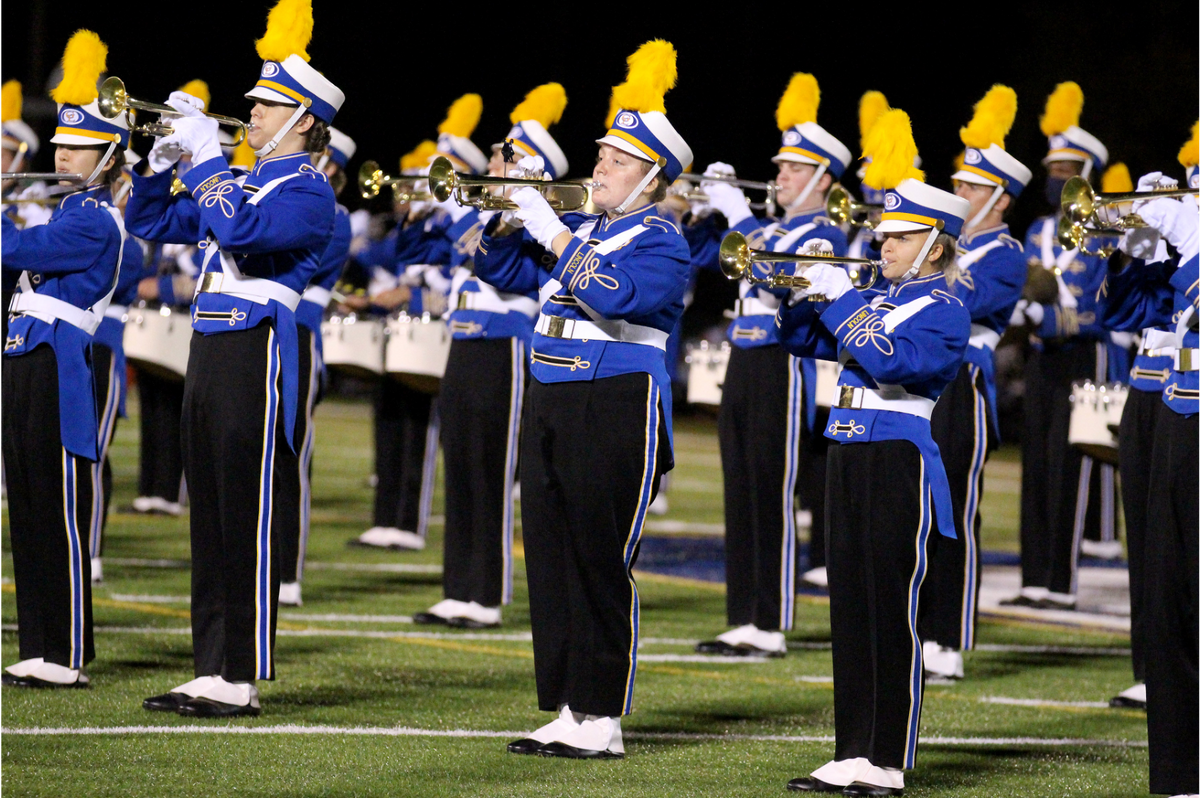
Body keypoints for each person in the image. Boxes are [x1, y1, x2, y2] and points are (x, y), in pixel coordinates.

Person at [476, 40, 692, 759]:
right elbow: (496, 267)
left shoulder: (660, 238)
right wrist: (505, 211)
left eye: (617, 161)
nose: (599, 166)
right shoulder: (590, 227)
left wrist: (554, 230)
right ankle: (569, 706)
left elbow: (619, 295)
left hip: (616, 402)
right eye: (600, 155)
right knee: (551, 555)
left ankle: (603, 716)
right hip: (552, 394)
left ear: (651, 177)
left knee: (598, 557)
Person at [127, 0, 343, 716]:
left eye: (266, 103)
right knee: (210, 508)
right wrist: (160, 168)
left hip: (258, 348)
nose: (250, 112)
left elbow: (244, 232)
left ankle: (240, 675)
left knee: (244, 510)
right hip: (212, 344)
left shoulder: (312, 195)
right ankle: (210, 665)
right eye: (251, 101)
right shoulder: (245, 179)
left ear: (304, 118)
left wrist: (209, 159)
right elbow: (151, 222)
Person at [777, 109, 970, 796]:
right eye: (883, 234)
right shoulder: (875, 298)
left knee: (891, 609)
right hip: (847, 451)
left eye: (900, 237)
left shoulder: (945, 310)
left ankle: (886, 758)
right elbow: (803, 341)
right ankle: (850, 749)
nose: (883, 245)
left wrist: (841, 304)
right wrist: (792, 291)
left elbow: (894, 366)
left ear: (935, 246)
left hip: (898, 458)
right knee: (849, 607)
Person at [690, 73, 851, 657]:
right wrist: (706, 212)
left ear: (823, 179)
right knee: (741, 487)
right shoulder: (771, 226)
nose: (779, 176)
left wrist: (737, 212)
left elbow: (775, 274)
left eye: (794, 169)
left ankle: (771, 622)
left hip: (786, 366)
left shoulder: (823, 231)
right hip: (745, 358)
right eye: (779, 167)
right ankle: (743, 615)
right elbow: (706, 259)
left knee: (771, 486)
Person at [1, 30, 131, 689]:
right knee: (26, 507)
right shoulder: (60, 211)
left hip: (59, 364)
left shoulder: (94, 220)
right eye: (58, 140)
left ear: (107, 154)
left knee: (58, 511)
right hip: (25, 357)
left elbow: (16, 254)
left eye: (75, 144)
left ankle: (68, 652)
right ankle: (39, 645)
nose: (58, 151)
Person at [414, 84, 564, 629]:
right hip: (467, 342)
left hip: (506, 347)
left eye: (508, 153)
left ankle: (488, 594)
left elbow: (483, 258)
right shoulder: (493, 211)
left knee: (493, 470)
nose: (496, 158)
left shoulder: (537, 223)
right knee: (462, 465)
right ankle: (459, 587)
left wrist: (461, 214)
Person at [918, 86, 1030, 680]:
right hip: (921, 384)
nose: (956, 193)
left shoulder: (1004, 254)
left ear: (1000, 198)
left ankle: (950, 637)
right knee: (917, 507)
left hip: (966, 382)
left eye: (968, 188)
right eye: (956, 185)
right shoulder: (943, 248)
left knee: (957, 509)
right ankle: (919, 624)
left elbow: (959, 303)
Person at [1096, 155, 1199, 797]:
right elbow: (1118, 313)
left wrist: (1189, 245)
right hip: (1175, 399)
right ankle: (1182, 771)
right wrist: (1139, 247)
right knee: (1168, 585)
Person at [351, 99, 484, 552]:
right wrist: (411, 218)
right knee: (390, 419)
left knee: (420, 427)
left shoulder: (472, 226)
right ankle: (385, 517)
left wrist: (405, 295)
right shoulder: (429, 223)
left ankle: (408, 522)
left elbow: (453, 287)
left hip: (438, 334)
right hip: (404, 331)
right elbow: (393, 257)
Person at [1004, 82, 1111, 611]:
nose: (1055, 179)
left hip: (1079, 356)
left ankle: (1062, 584)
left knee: (1068, 466)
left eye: (1066, 172)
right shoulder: (1037, 231)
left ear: (1086, 174)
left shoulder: (1105, 234)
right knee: (1035, 465)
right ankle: (1032, 580)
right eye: (1051, 171)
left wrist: (1046, 316)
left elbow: (1102, 310)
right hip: (1041, 358)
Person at [275, 126, 355, 607]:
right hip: (264, 330)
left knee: (292, 454)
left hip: (300, 337)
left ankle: (288, 573)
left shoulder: (335, 215)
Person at [88, 152, 150, 583]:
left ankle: (90, 551)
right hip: (71, 344)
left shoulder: (131, 239)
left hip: (105, 347)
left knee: (92, 452)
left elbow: (118, 271)